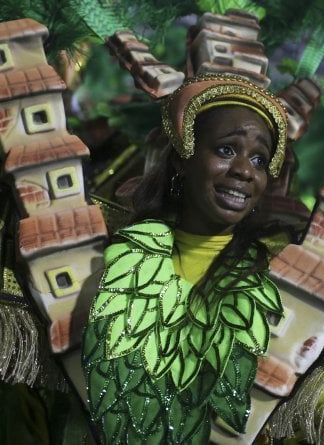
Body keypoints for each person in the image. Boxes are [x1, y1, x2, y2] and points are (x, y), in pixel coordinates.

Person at [80, 73, 289, 444]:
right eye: (227, 150)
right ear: (182, 159)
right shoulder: (113, 253)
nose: (244, 170)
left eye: (259, 159)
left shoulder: (279, 277)